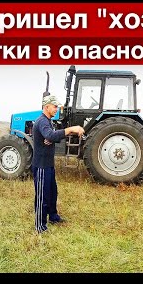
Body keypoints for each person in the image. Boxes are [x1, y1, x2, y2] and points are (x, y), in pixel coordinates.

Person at [32, 94, 85, 234]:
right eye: (55, 106)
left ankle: (53, 217)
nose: (57, 109)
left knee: (52, 193)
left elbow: (51, 136)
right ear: (46, 106)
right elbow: (50, 135)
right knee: (42, 196)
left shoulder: (48, 121)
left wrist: (51, 137)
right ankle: (40, 226)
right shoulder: (42, 121)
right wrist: (71, 129)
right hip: (41, 166)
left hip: (48, 165)